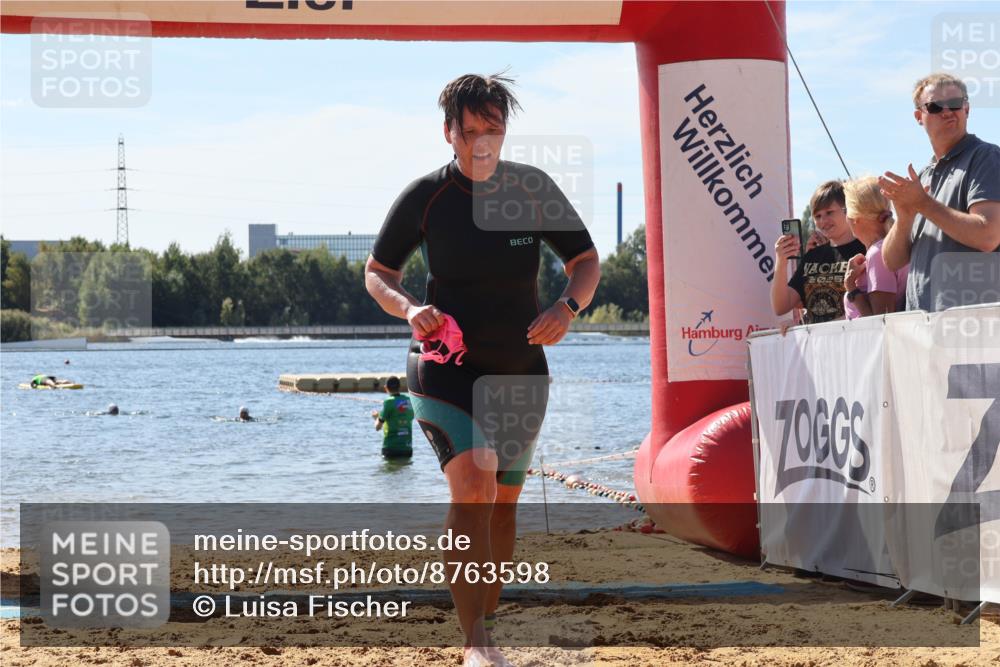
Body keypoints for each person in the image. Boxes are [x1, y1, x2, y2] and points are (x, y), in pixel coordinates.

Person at [364, 72, 600, 667]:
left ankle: (485, 625)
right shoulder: (427, 197)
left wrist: (566, 307)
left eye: (493, 131)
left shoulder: (532, 188)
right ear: (449, 133)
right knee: (473, 487)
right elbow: (377, 272)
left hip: (521, 369)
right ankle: (477, 645)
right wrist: (410, 308)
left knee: (503, 505)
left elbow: (585, 260)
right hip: (444, 366)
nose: (483, 144)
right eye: (471, 133)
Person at [880, 73, 1000, 312]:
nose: (947, 112)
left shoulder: (985, 157)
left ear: (967, 109)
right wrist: (904, 218)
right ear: (919, 116)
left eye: (955, 104)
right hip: (925, 325)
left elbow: (989, 235)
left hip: (971, 325)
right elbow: (892, 262)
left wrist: (923, 204)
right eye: (935, 106)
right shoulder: (923, 176)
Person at [771, 180, 866, 324]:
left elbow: (875, 306)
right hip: (816, 344)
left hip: (854, 341)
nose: (823, 221)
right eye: (817, 216)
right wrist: (781, 262)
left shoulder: (865, 249)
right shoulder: (813, 255)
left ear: (847, 210)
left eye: (829, 212)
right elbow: (781, 306)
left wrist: (811, 327)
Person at [841, 177, 909, 319]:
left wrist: (852, 288)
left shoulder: (878, 253)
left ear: (855, 217)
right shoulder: (885, 247)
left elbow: (881, 321)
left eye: (845, 210)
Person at [371, 376, 414, 459]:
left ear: (386, 388)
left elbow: (378, 427)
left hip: (391, 448)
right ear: (400, 387)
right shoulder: (409, 400)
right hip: (407, 448)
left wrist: (376, 417)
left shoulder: (388, 402)